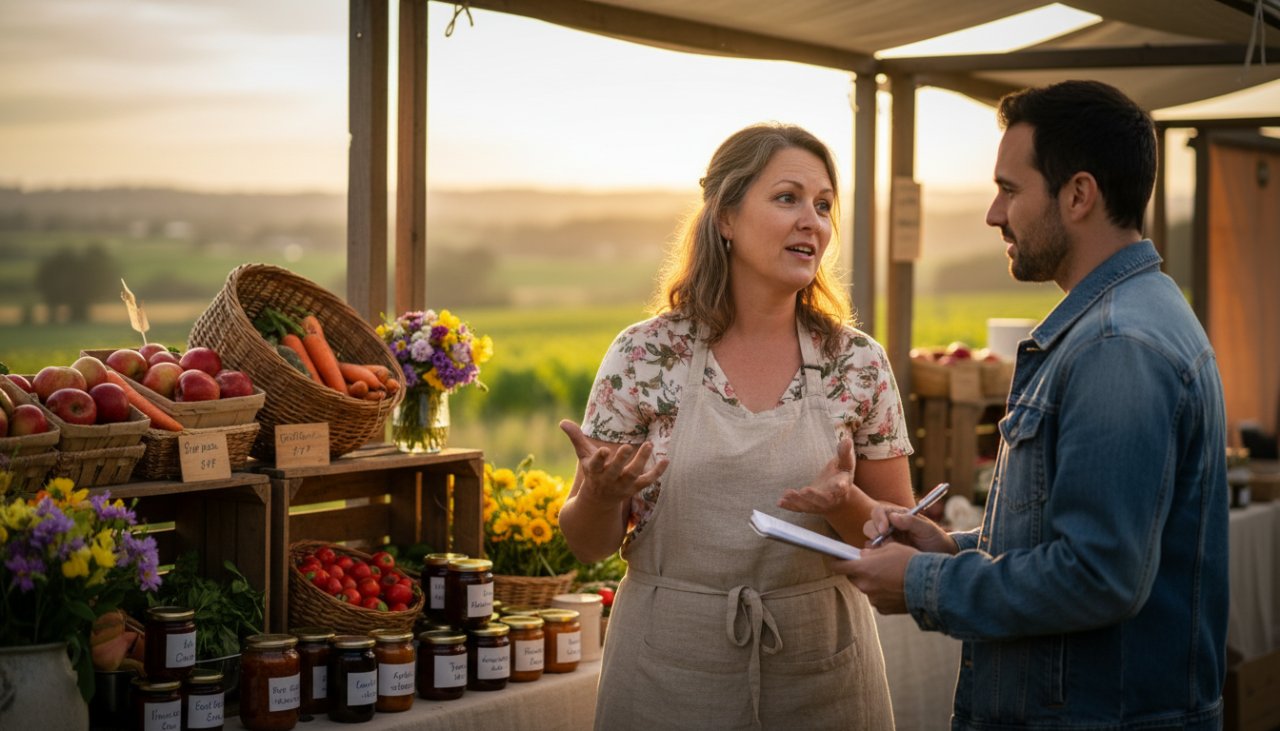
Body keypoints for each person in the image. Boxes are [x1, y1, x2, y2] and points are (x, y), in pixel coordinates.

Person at [838, 80, 1229, 730]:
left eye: (1010, 189)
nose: (994, 214)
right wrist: (951, 549)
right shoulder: (1124, 319)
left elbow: (1098, 574)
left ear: (1078, 195)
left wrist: (921, 584)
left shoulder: (1115, 343)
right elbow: (1069, 539)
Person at [558, 122, 915, 730]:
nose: (814, 221)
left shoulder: (856, 362)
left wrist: (846, 502)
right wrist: (598, 494)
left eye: (824, 205)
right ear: (725, 216)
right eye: (788, 198)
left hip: (821, 673)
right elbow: (589, 544)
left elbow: (902, 542)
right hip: (668, 671)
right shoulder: (644, 355)